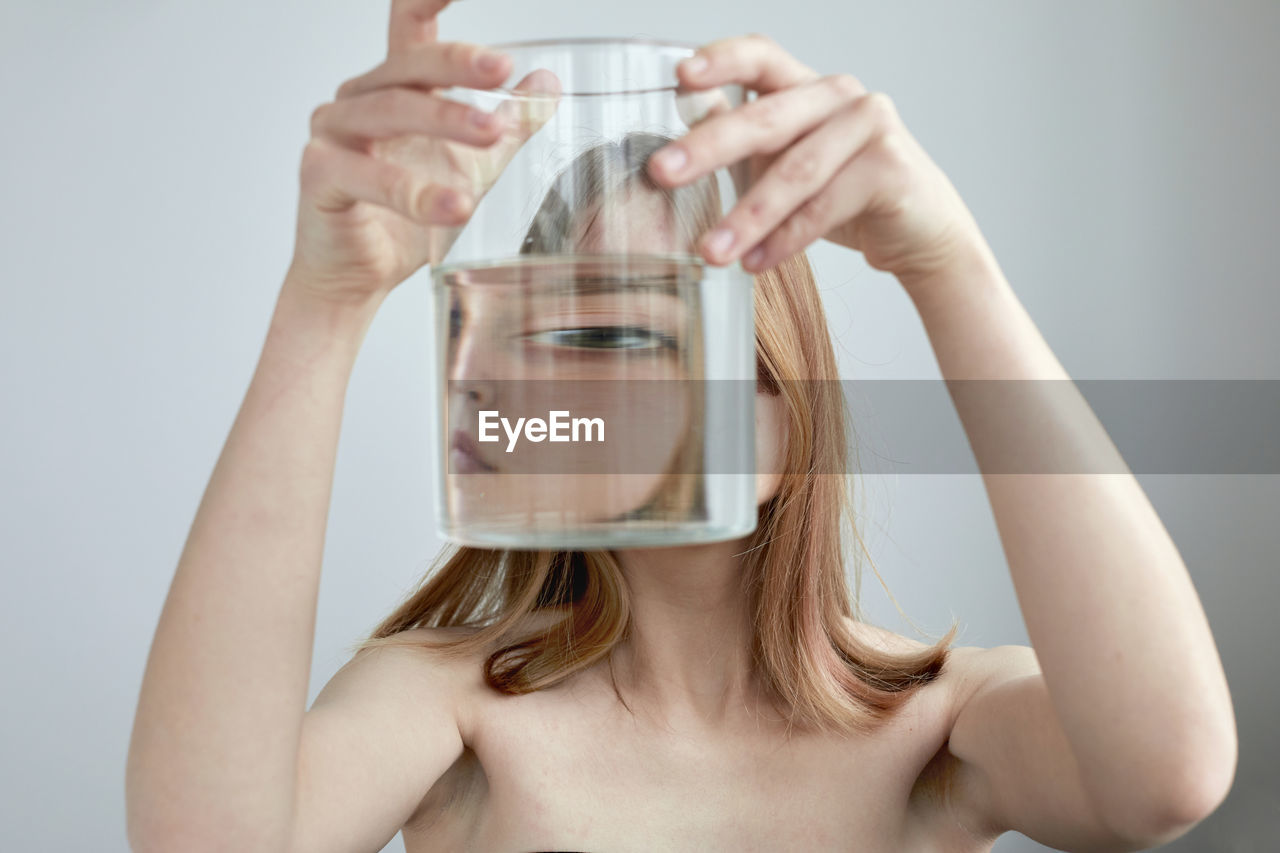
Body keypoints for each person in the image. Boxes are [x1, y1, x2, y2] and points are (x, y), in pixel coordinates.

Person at [125, 1, 1239, 851]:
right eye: (557, 337)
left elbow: (1164, 778)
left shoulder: (936, 722)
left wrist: (946, 266)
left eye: (638, 336)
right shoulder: (456, 707)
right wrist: (323, 306)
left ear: (779, 408)